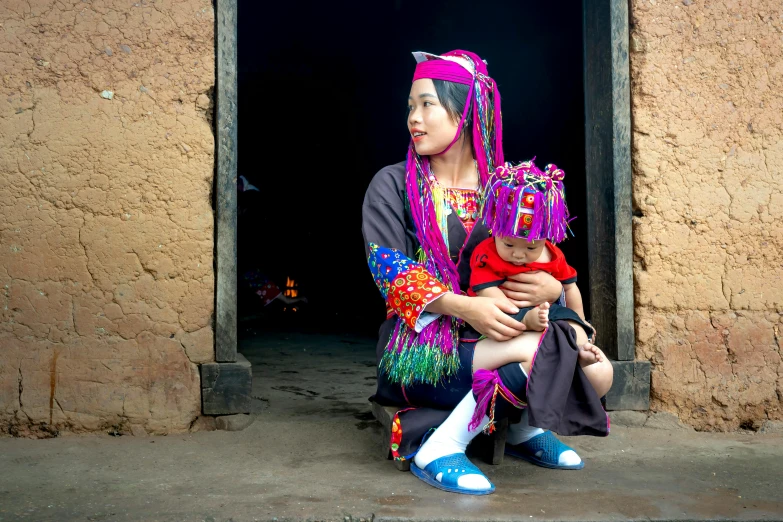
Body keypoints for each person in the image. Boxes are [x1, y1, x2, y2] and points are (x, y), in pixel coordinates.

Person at [362, 50, 613, 496]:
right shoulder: (393, 184)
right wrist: (464, 306)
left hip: (502, 334)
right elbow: (389, 269)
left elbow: (547, 253)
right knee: (544, 352)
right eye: (410, 106)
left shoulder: (507, 187)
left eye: (426, 104)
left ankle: (517, 429)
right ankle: (441, 447)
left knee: (599, 373)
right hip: (422, 349)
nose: (413, 118)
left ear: (466, 111)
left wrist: (555, 287)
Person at [468, 160, 604, 365]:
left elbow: (569, 288)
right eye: (508, 245)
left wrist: (580, 318)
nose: (518, 255)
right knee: (495, 314)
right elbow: (484, 290)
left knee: (570, 320)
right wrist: (516, 313)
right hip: (508, 311)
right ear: (495, 231)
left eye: (531, 248)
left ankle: (580, 349)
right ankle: (530, 325)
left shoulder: (552, 255)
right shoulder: (487, 254)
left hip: (545, 309)